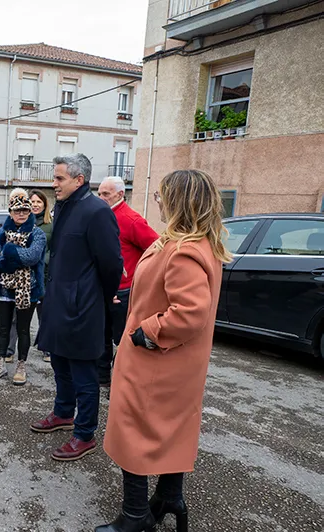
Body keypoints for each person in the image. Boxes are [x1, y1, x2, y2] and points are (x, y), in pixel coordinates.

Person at [96, 170, 230, 532]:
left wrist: (146, 333)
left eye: (161, 197)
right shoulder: (197, 242)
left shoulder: (184, 250)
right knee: (172, 431)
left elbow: (190, 313)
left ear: (178, 201)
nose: (159, 203)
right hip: (176, 365)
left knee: (132, 433)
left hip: (156, 361)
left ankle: (136, 515)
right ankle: (169, 497)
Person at [32, 153, 122, 461]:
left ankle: (84, 434)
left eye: (59, 178)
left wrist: (102, 295)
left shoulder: (97, 211)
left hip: (83, 306)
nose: (53, 184)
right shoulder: (64, 207)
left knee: (84, 375)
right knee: (60, 366)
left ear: (78, 180)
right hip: (58, 302)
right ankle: (63, 413)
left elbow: (112, 262)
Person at [96, 176, 159, 386]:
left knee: (121, 341)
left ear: (120, 194)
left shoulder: (131, 220)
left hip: (123, 292)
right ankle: (102, 378)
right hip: (102, 289)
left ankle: (120, 383)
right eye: (99, 194)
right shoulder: (101, 216)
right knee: (100, 337)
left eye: (106, 194)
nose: (101, 197)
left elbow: (156, 249)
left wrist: (135, 275)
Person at [0, 188, 47, 386]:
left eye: (25, 210)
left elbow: (33, 257)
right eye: (17, 210)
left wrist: (9, 251)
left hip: (28, 289)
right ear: (10, 212)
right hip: (4, 289)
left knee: (23, 329)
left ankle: (21, 365)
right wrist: (14, 257)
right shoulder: (1, 231)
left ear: (30, 212)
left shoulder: (37, 233)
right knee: (3, 328)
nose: (21, 214)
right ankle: (0, 362)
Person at [5, 189, 54, 363]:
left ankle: (47, 347)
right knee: (17, 316)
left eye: (38, 202)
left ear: (44, 205)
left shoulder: (50, 225)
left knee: (45, 314)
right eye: (32, 202)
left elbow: (53, 249)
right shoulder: (20, 223)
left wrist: (42, 260)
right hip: (21, 275)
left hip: (44, 274)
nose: (35, 205)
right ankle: (9, 349)